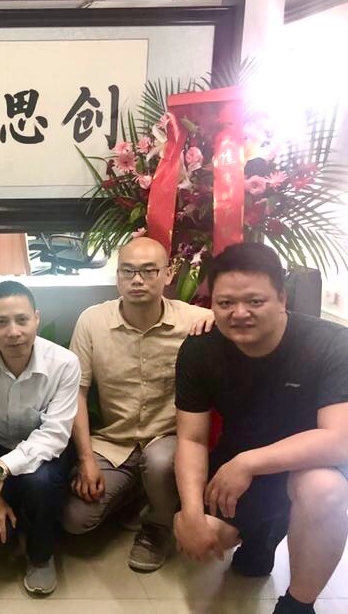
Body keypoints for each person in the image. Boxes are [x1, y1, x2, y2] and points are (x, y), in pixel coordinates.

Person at [174, 242, 348, 614]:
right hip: (237, 468)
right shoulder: (200, 349)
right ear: (211, 304)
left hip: (306, 465)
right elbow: (191, 437)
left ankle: (298, 605)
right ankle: (260, 540)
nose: (239, 313)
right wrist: (191, 512)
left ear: (282, 297)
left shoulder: (331, 344)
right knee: (206, 532)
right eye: (225, 303)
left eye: (255, 301)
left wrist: (249, 462)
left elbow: (339, 441)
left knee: (325, 490)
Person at [62, 236, 213, 572]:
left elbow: (239, 321)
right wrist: (86, 459)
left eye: (148, 271)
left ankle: (156, 526)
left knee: (158, 463)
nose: (137, 280)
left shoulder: (195, 320)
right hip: (113, 443)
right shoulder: (92, 321)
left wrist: (217, 321)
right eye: (127, 271)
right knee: (75, 520)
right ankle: (138, 494)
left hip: (166, 440)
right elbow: (76, 393)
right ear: (117, 276)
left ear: (168, 273)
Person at [0, 280, 80, 596]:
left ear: (36, 318)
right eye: (1, 322)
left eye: (22, 320)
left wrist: (0, 470)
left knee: (40, 483)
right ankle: (14, 521)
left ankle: (41, 555)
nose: (14, 332)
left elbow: (53, 435)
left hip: (42, 450)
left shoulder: (64, 363)